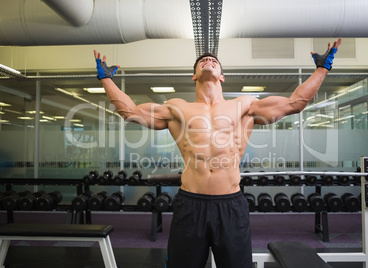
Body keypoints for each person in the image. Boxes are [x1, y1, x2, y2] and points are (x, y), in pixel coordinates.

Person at [93, 38, 342, 268]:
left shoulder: (245, 106)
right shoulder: (177, 108)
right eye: (203, 60)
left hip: (230, 205)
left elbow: (294, 103)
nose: (208, 60)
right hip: (190, 204)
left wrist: (322, 68)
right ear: (194, 76)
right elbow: (130, 111)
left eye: (214, 61)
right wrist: (106, 79)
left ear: (222, 76)